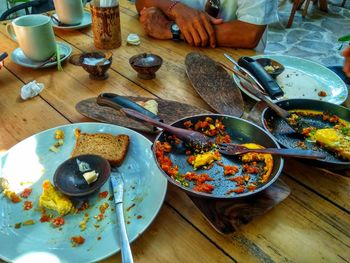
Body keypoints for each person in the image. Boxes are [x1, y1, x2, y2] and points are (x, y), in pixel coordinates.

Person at [135, 0, 278, 50]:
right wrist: (176, 9)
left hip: (238, 70)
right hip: (179, 57)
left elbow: (249, 33)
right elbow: (142, 2)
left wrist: (171, 29)